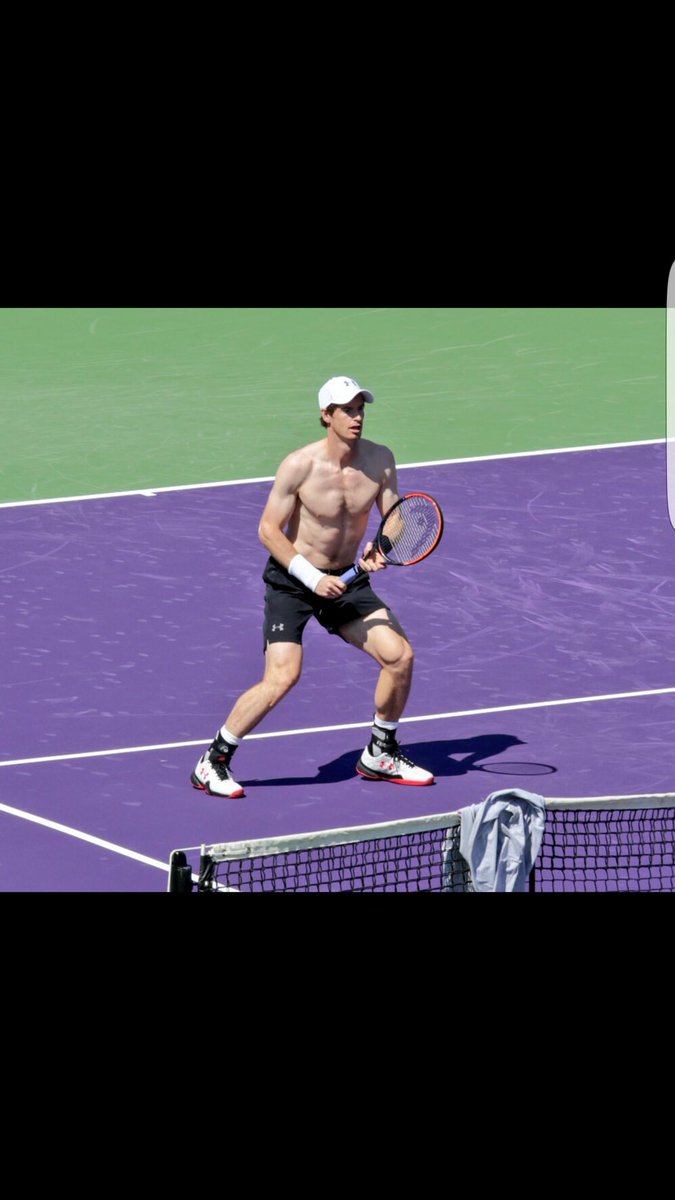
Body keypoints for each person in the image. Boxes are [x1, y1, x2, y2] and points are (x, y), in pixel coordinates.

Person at [191, 375, 435, 798]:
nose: (357, 417)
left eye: (361, 408)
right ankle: (213, 761)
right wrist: (312, 578)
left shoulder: (380, 460)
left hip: (348, 581)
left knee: (399, 657)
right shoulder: (299, 465)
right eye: (348, 410)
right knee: (283, 676)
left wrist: (383, 546)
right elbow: (269, 530)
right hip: (294, 582)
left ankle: (381, 752)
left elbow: (394, 514)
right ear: (326, 415)